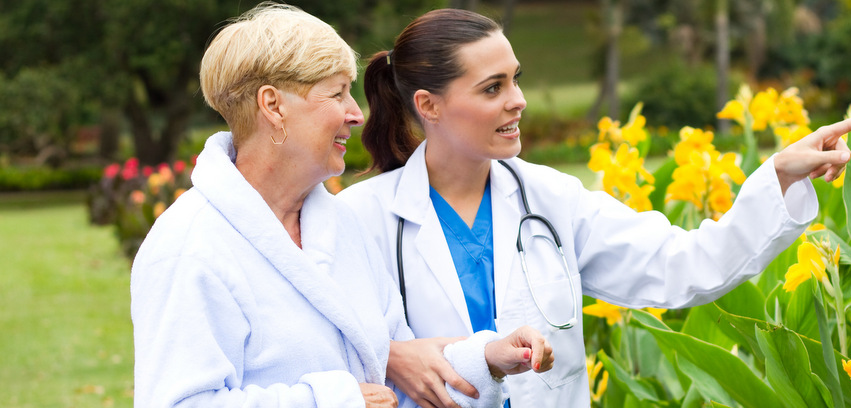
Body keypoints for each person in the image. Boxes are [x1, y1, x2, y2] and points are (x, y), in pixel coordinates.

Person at [337, 8, 851, 407]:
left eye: (516, 79)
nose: (518, 100)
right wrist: (391, 355)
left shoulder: (552, 200)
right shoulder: (362, 219)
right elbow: (321, 353)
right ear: (429, 106)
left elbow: (685, 266)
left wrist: (779, 176)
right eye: (492, 88)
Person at [130, 4, 553, 407]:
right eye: (336, 94)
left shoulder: (340, 226)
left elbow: (395, 382)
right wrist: (333, 401)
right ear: (273, 106)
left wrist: (485, 360)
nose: (356, 114)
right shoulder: (190, 249)